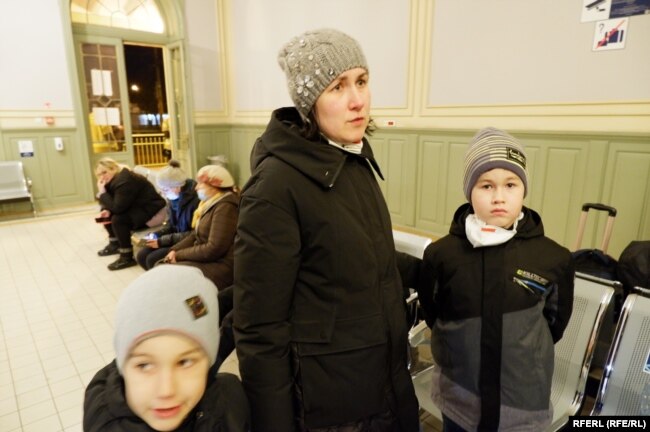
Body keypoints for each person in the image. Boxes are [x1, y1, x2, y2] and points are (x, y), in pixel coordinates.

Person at [232, 28, 420, 431]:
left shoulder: (351, 161)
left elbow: (359, 255)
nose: (357, 100)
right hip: (332, 411)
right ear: (308, 102)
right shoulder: (275, 189)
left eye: (362, 82)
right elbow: (259, 330)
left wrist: (437, 267)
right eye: (337, 87)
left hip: (382, 386)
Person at [415, 127, 575, 432]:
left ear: (523, 189)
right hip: (459, 402)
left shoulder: (553, 258)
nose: (499, 197)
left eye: (510, 184)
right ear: (469, 191)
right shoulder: (442, 254)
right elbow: (434, 313)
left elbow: (554, 325)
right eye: (486, 185)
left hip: (521, 407)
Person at [83, 265, 250, 432]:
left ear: (208, 363)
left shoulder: (229, 401)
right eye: (144, 365)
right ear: (123, 368)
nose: (166, 390)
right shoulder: (103, 424)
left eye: (184, 362)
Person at [162, 164, 239, 290]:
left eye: (200, 184)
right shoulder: (208, 204)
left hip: (222, 266)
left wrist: (180, 255)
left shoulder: (226, 207)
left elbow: (214, 248)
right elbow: (195, 234)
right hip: (209, 258)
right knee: (163, 267)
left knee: (166, 274)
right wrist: (174, 250)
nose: (196, 187)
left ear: (215, 187)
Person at [95, 157, 167, 271]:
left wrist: (102, 193)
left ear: (113, 168)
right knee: (107, 213)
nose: (102, 177)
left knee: (119, 219)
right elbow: (116, 204)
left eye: (105, 172)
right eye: (99, 175)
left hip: (154, 213)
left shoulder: (125, 180)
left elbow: (118, 208)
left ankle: (127, 257)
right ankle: (115, 244)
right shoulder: (116, 179)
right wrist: (107, 209)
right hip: (139, 208)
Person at [136, 160, 200, 270]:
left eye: (165, 189)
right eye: (161, 190)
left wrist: (161, 241)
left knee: (153, 259)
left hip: (189, 242)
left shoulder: (196, 200)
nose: (163, 193)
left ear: (178, 187)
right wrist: (156, 235)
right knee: (141, 255)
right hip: (176, 238)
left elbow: (194, 233)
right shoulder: (173, 199)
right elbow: (171, 224)